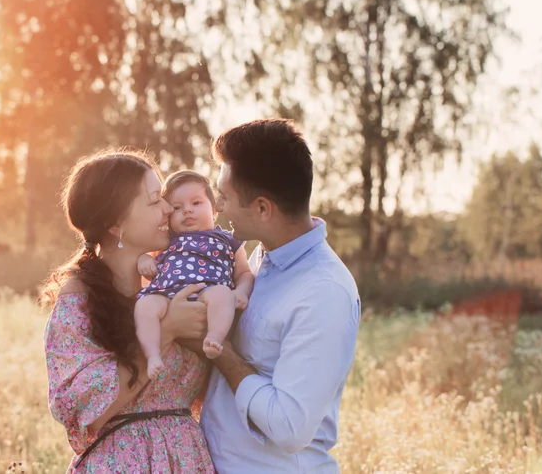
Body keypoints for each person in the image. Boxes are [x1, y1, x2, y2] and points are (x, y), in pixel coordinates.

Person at [200, 119, 361, 473]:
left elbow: (290, 427)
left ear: (262, 208)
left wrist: (219, 353)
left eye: (224, 197)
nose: (218, 208)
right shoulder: (258, 261)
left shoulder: (324, 292)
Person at [42, 149, 215, 473]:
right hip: (123, 462)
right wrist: (165, 334)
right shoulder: (80, 300)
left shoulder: (172, 286)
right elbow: (84, 408)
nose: (167, 208)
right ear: (115, 225)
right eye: (153, 201)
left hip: (188, 460)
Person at [134, 170, 254, 380]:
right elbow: (145, 258)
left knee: (222, 294)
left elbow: (244, 273)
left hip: (206, 293)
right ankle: (152, 353)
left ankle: (214, 338)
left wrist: (242, 292)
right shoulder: (166, 240)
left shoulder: (227, 240)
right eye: (177, 208)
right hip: (166, 296)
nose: (187, 211)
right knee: (144, 306)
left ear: (214, 209)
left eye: (196, 203)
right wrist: (144, 261)